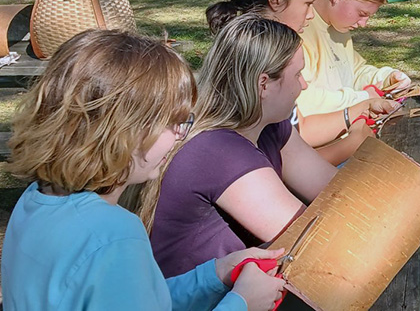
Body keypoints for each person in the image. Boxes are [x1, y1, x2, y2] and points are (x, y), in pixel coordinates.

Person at [1, 30, 285, 311]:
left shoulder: (34, 200)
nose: (180, 135)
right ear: (124, 129)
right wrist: (243, 303)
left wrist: (215, 275)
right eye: (172, 121)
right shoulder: (115, 236)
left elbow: (143, 299)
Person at [138, 14, 339, 278]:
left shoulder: (268, 126)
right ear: (263, 84)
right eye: (298, 74)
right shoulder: (219, 152)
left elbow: (335, 192)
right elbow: (313, 241)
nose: (304, 84)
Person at [207, 0, 401, 165]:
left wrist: (367, 99)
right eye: (308, 3)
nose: (311, 14)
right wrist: (355, 134)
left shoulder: (263, 54)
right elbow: (289, 161)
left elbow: (295, 156)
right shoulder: (266, 58)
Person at [296, 0, 411, 117]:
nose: (363, 23)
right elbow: (304, 102)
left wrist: (387, 78)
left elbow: (353, 72)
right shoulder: (302, 32)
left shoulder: (338, 27)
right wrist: (362, 99)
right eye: (361, 13)